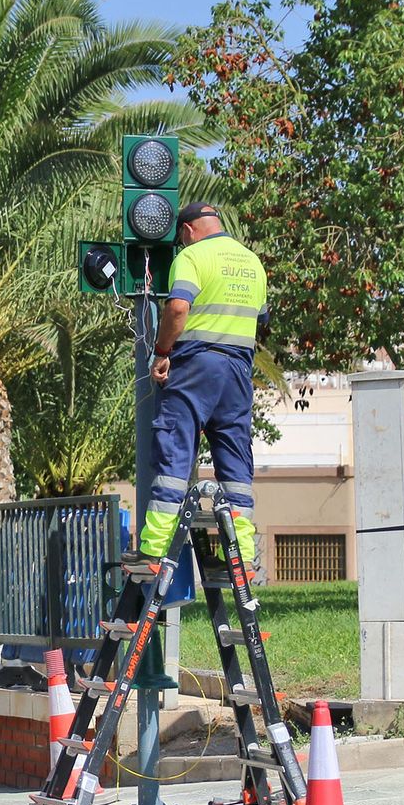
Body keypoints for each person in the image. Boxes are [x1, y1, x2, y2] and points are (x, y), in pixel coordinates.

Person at [124, 202, 268, 577]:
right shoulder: (252, 262)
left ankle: (154, 551)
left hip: (195, 368)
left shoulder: (191, 256)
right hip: (238, 370)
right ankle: (243, 559)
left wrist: (162, 352)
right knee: (235, 462)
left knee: (173, 456)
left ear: (187, 231)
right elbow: (262, 319)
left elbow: (177, 309)